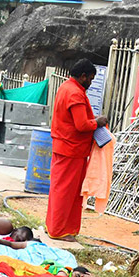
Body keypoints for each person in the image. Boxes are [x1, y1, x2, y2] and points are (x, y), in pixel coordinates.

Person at [48, 60, 107, 241]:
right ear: (83, 76)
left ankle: (56, 227)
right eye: (90, 78)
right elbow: (81, 125)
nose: (90, 82)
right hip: (71, 150)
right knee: (67, 193)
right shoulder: (75, 93)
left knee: (61, 190)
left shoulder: (66, 87)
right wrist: (98, 122)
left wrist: (92, 120)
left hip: (65, 147)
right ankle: (60, 231)